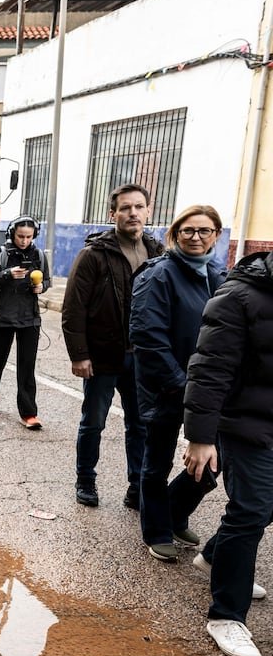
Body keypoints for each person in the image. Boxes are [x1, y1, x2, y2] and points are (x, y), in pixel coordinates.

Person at [183, 249, 273, 656]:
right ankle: (226, 616)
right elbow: (209, 368)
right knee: (251, 510)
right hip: (243, 423)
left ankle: (215, 556)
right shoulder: (239, 295)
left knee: (265, 508)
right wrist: (201, 437)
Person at [129, 205, 225, 562]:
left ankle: (173, 511)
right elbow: (147, 337)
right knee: (157, 461)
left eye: (204, 230)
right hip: (165, 386)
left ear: (216, 234)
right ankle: (156, 530)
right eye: (188, 231)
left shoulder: (218, 275)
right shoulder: (158, 275)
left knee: (215, 458)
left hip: (207, 388)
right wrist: (181, 384)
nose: (196, 237)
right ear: (175, 234)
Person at [61, 184, 163, 509]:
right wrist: (79, 355)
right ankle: (85, 481)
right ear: (112, 214)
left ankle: (137, 488)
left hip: (142, 360)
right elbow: (73, 308)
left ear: (148, 211)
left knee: (141, 426)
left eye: (139, 207)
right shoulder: (94, 255)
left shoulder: (158, 254)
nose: (133, 213)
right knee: (93, 423)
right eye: (125, 208)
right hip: (103, 357)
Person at [0, 215, 51, 428]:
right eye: (20, 236)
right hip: (2, 317)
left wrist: (41, 287)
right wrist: (7, 274)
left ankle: (29, 414)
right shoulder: (0, 254)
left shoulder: (39, 255)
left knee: (27, 366)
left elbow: (47, 280)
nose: (24, 241)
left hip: (30, 318)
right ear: (12, 234)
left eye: (29, 237)